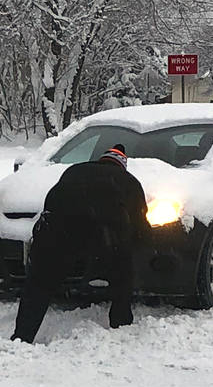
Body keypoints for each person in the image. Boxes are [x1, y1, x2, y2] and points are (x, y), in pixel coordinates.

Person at [11, 144, 148, 343]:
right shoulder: (129, 181)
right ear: (122, 166)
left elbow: (52, 201)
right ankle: (120, 323)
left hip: (56, 232)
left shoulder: (74, 170)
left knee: (39, 284)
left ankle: (22, 336)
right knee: (123, 273)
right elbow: (140, 225)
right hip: (101, 235)